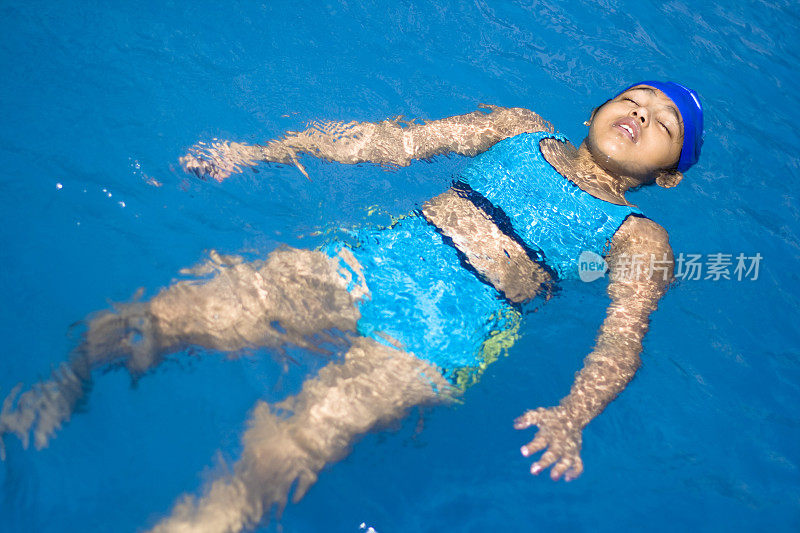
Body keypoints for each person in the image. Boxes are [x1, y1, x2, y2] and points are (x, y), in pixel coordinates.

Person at [0, 81, 703, 533]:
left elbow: (622, 337)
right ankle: (62, 383)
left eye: (666, 122)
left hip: (441, 338)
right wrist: (263, 152)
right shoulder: (518, 127)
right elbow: (390, 141)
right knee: (157, 318)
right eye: (635, 98)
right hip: (370, 264)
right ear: (595, 110)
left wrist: (573, 415)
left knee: (280, 452)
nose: (643, 112)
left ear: (668, 176)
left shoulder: (642, 235)